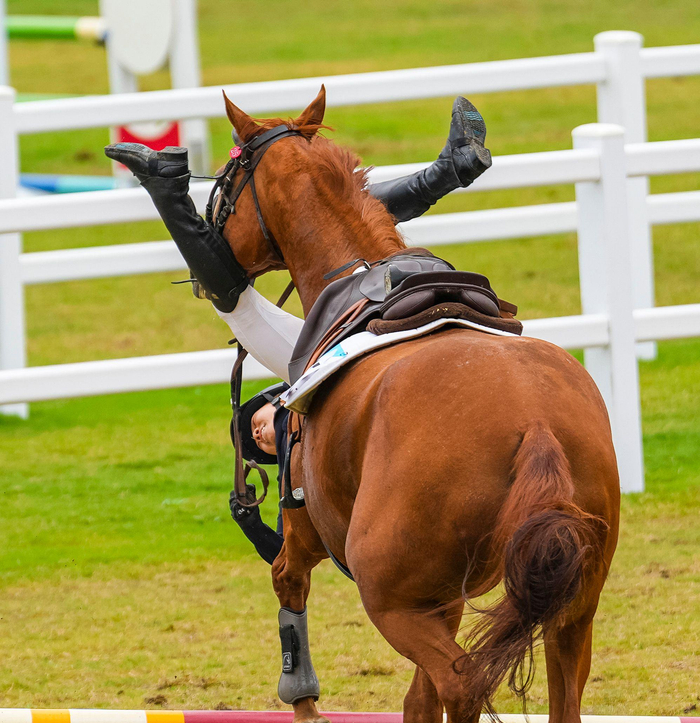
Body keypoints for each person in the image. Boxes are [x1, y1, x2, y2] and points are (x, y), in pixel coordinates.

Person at [105, 96, 492, 564]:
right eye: (260, 443)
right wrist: (252, 526)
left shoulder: (298, 378)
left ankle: (165, 187)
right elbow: (294, 559)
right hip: (402, 291)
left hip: (353, 331)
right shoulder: (305, 451)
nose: (262, 434)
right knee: (321, 228)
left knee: (238, 309)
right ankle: (450, 170)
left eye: (254, 426)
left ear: (271, 397)